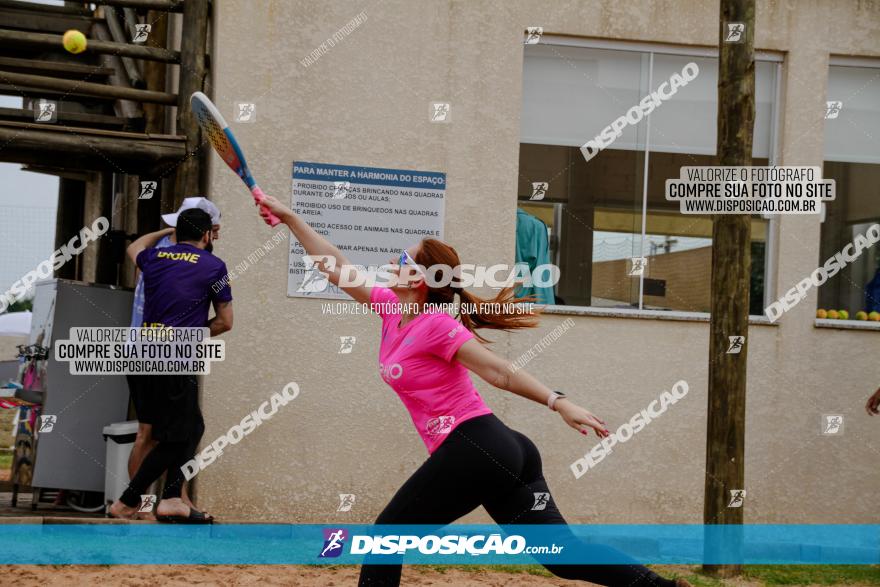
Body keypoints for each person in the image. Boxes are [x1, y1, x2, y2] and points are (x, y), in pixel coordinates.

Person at [258, 195, 691, 587]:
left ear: (420, 278)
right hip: (502, 451)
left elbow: (499, 373)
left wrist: (558, 402)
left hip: (475, 446)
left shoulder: (437, 325)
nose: (392, 262)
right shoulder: (393, 312)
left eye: (402, 259)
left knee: (384, 539)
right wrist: (292, 218)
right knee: (562, 556)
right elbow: (335, 266)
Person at [110, 208, 232, 523]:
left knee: (175, 430)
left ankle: (169, 499)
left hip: (139, 355)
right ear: (208, 235)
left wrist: (166, 233)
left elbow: (133, 246)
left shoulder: (155, 259)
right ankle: (131, 500)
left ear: (177, 233)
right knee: (183, 433)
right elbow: (225, 322)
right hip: (173, 356)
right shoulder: (214, 267)